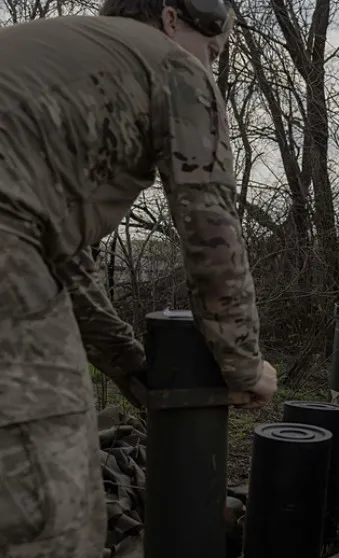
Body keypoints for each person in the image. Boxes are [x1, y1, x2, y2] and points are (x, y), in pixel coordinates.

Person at [0, 0, 278, 555]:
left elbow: (64, 264)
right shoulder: (172, 66)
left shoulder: (57, 56)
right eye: (212, 52)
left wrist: (132, 370)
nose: (210, 66)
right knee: (54, 507)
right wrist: (245, 365)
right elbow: (211, 232)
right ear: (172, 20)